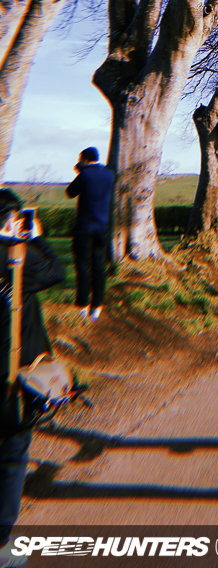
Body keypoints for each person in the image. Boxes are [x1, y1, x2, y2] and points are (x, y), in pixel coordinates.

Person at [0, 189, 65, 557]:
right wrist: (36, 238)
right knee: (13, 455)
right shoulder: (17, 260)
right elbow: (57, 271)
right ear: (12, 221)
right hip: (11, 378)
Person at [65, 147, 114, 321]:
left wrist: (80, 172)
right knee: (99, 266)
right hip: (102, 227)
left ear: (84, 159)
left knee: (83, 265)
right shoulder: (109, 174)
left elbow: (70, 193)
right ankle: (97, 305)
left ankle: (83, 304)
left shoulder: (84, 175)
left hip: (84, 227)